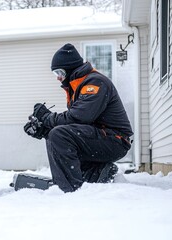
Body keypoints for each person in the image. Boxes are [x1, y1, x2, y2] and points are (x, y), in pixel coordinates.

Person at [24, 43, 133, 193]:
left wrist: (48, 118)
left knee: (59, 135)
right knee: (53, 134)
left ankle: (71, 189)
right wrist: (44, 130)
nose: (59, 78)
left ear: (70, 69)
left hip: (116, 140)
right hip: (103, 137)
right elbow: (75, 125)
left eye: (60, 72)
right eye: (56, 74)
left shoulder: (95, 83)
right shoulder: (79, 86)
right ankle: (97, 172)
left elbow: (79, 117)